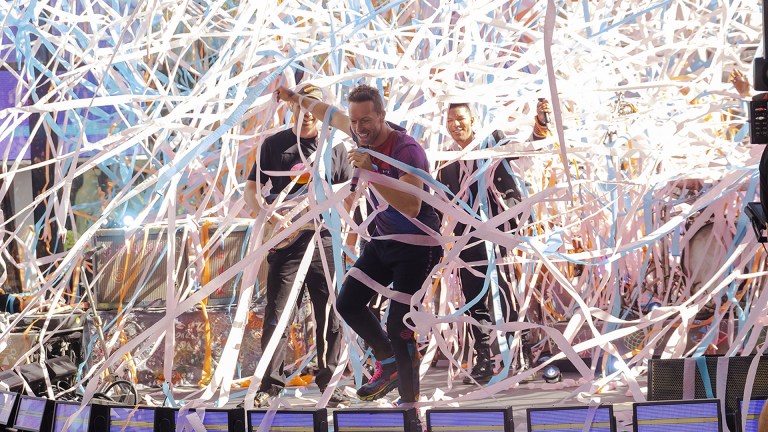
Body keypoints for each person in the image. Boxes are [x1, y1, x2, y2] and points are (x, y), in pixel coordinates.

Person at [275, 83, 443, 405]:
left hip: (418, 245)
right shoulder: (359, 134)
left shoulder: (407, 150)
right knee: (348, 302)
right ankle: (389, 362)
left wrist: (373, 172)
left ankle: (410, 404)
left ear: (382, 116)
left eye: (366, 120)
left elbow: (411, 206)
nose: (358, 127)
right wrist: (295, 98)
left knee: (399, 323)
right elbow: (328, 114)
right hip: (384, 241)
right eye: (354, 121)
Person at [244, 84, 352, 407]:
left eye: (313, 107)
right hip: (287, 241)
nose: (307, 114)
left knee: (330, 313)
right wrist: (269, 216)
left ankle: (330, 384)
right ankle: (270, 384)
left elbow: (349, 195)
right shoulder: (275, 144)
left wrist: (347, 234)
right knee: (278, 313)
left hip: (325, 240)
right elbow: (251, 189)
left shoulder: (334, 148)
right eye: (301, 107)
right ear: (292, 108)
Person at [437, 100, 551, 384]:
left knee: (509, 295)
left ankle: (522, 357)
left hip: (502, 235)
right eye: (450, 120)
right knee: (474, 300)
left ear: (473, 120)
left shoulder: (493, 143)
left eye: (460, 118)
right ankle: (483, 361)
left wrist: (541, 123)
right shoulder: (446, 161)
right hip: (467, 241)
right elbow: (439, 202)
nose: (455, 125)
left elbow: (527, 150)